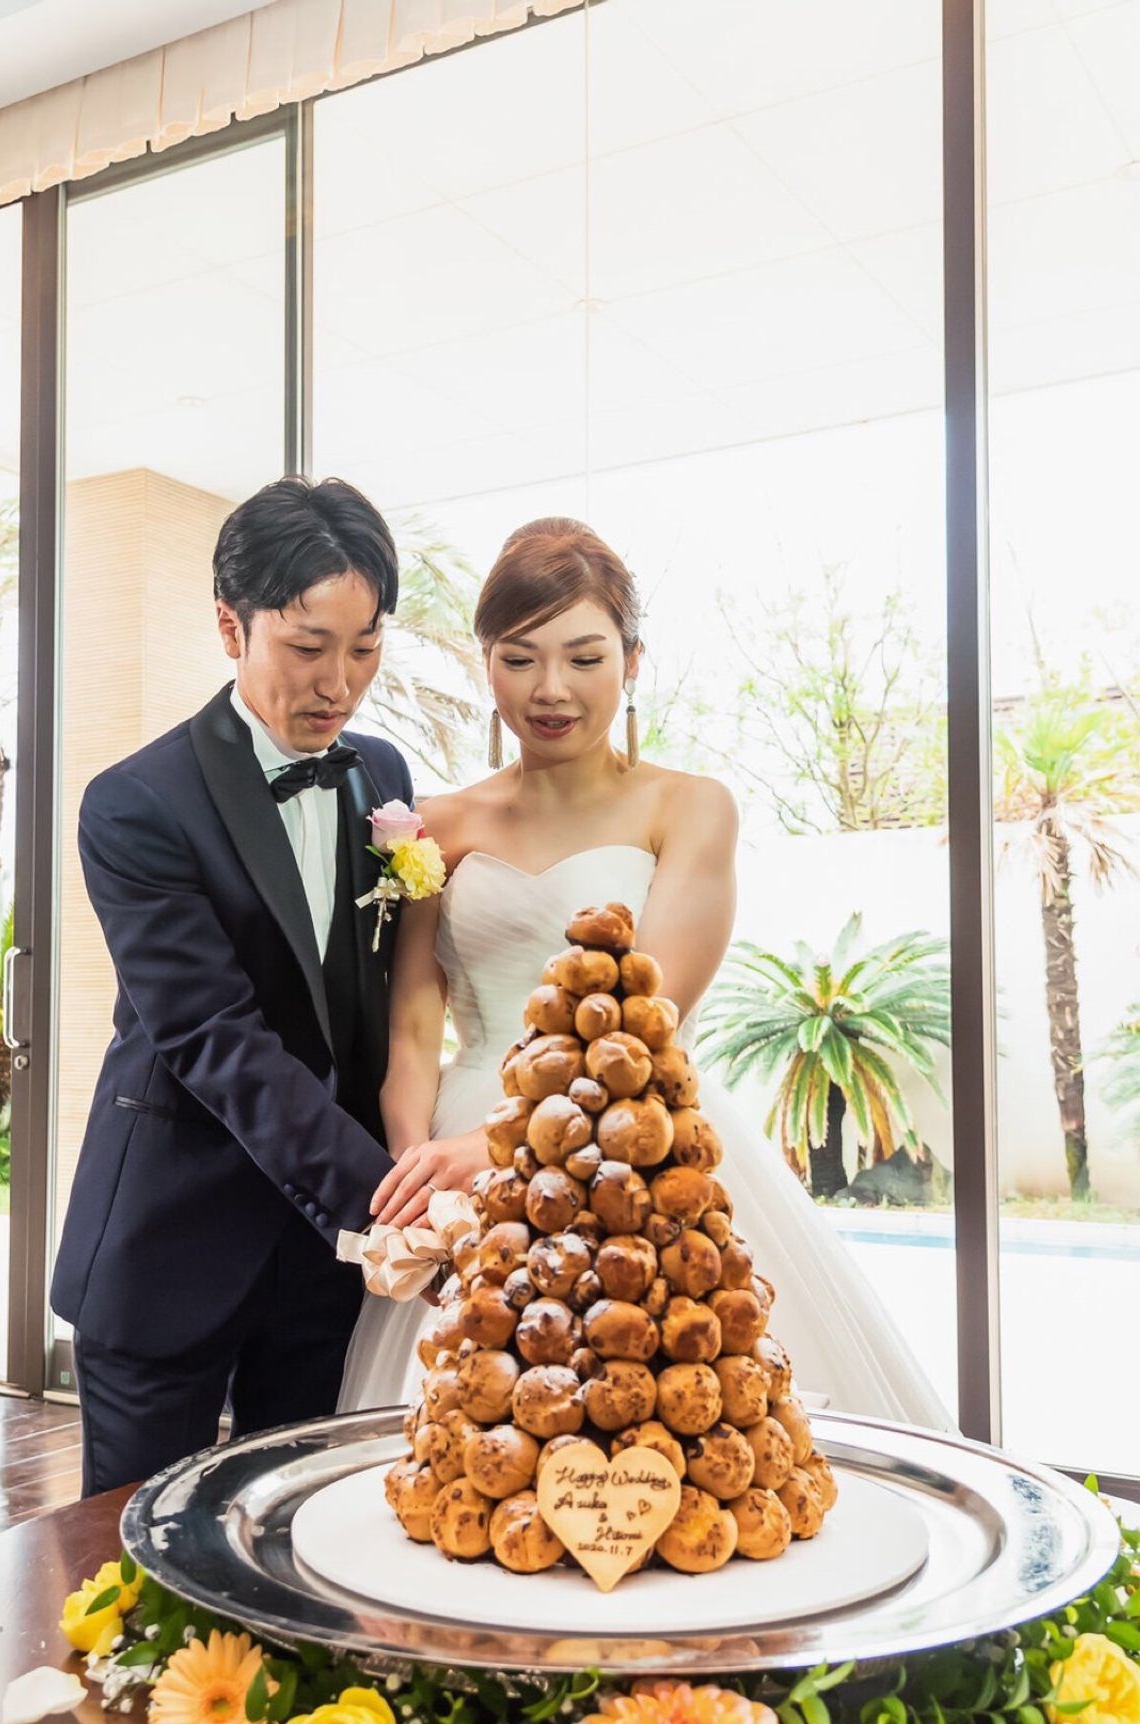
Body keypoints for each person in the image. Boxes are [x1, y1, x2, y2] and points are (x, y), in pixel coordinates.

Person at [337, 516, 953, 1431]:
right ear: (486, 663)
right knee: (475, 1423)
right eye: (519, 658)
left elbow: (643, 1021)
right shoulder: (437, 824)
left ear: (632, 660)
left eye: (584, 658)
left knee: (667, 1405)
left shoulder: (689, 808)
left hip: (633, 1136)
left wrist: (499, 1152)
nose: (551, 689)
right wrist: (415, 1173)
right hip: (459, 1150)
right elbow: (413, 1027)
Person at [52, 476, 413, 1495]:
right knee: (133, 1555)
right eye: (307, 647)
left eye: (364, 647)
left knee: (290, 1536)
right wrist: (388, 1199)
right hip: (171, 1247)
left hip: (324, 1267)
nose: (338, 684)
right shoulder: (136, 802)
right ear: (229, 626)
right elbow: (215, 1035)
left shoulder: (383, 776)